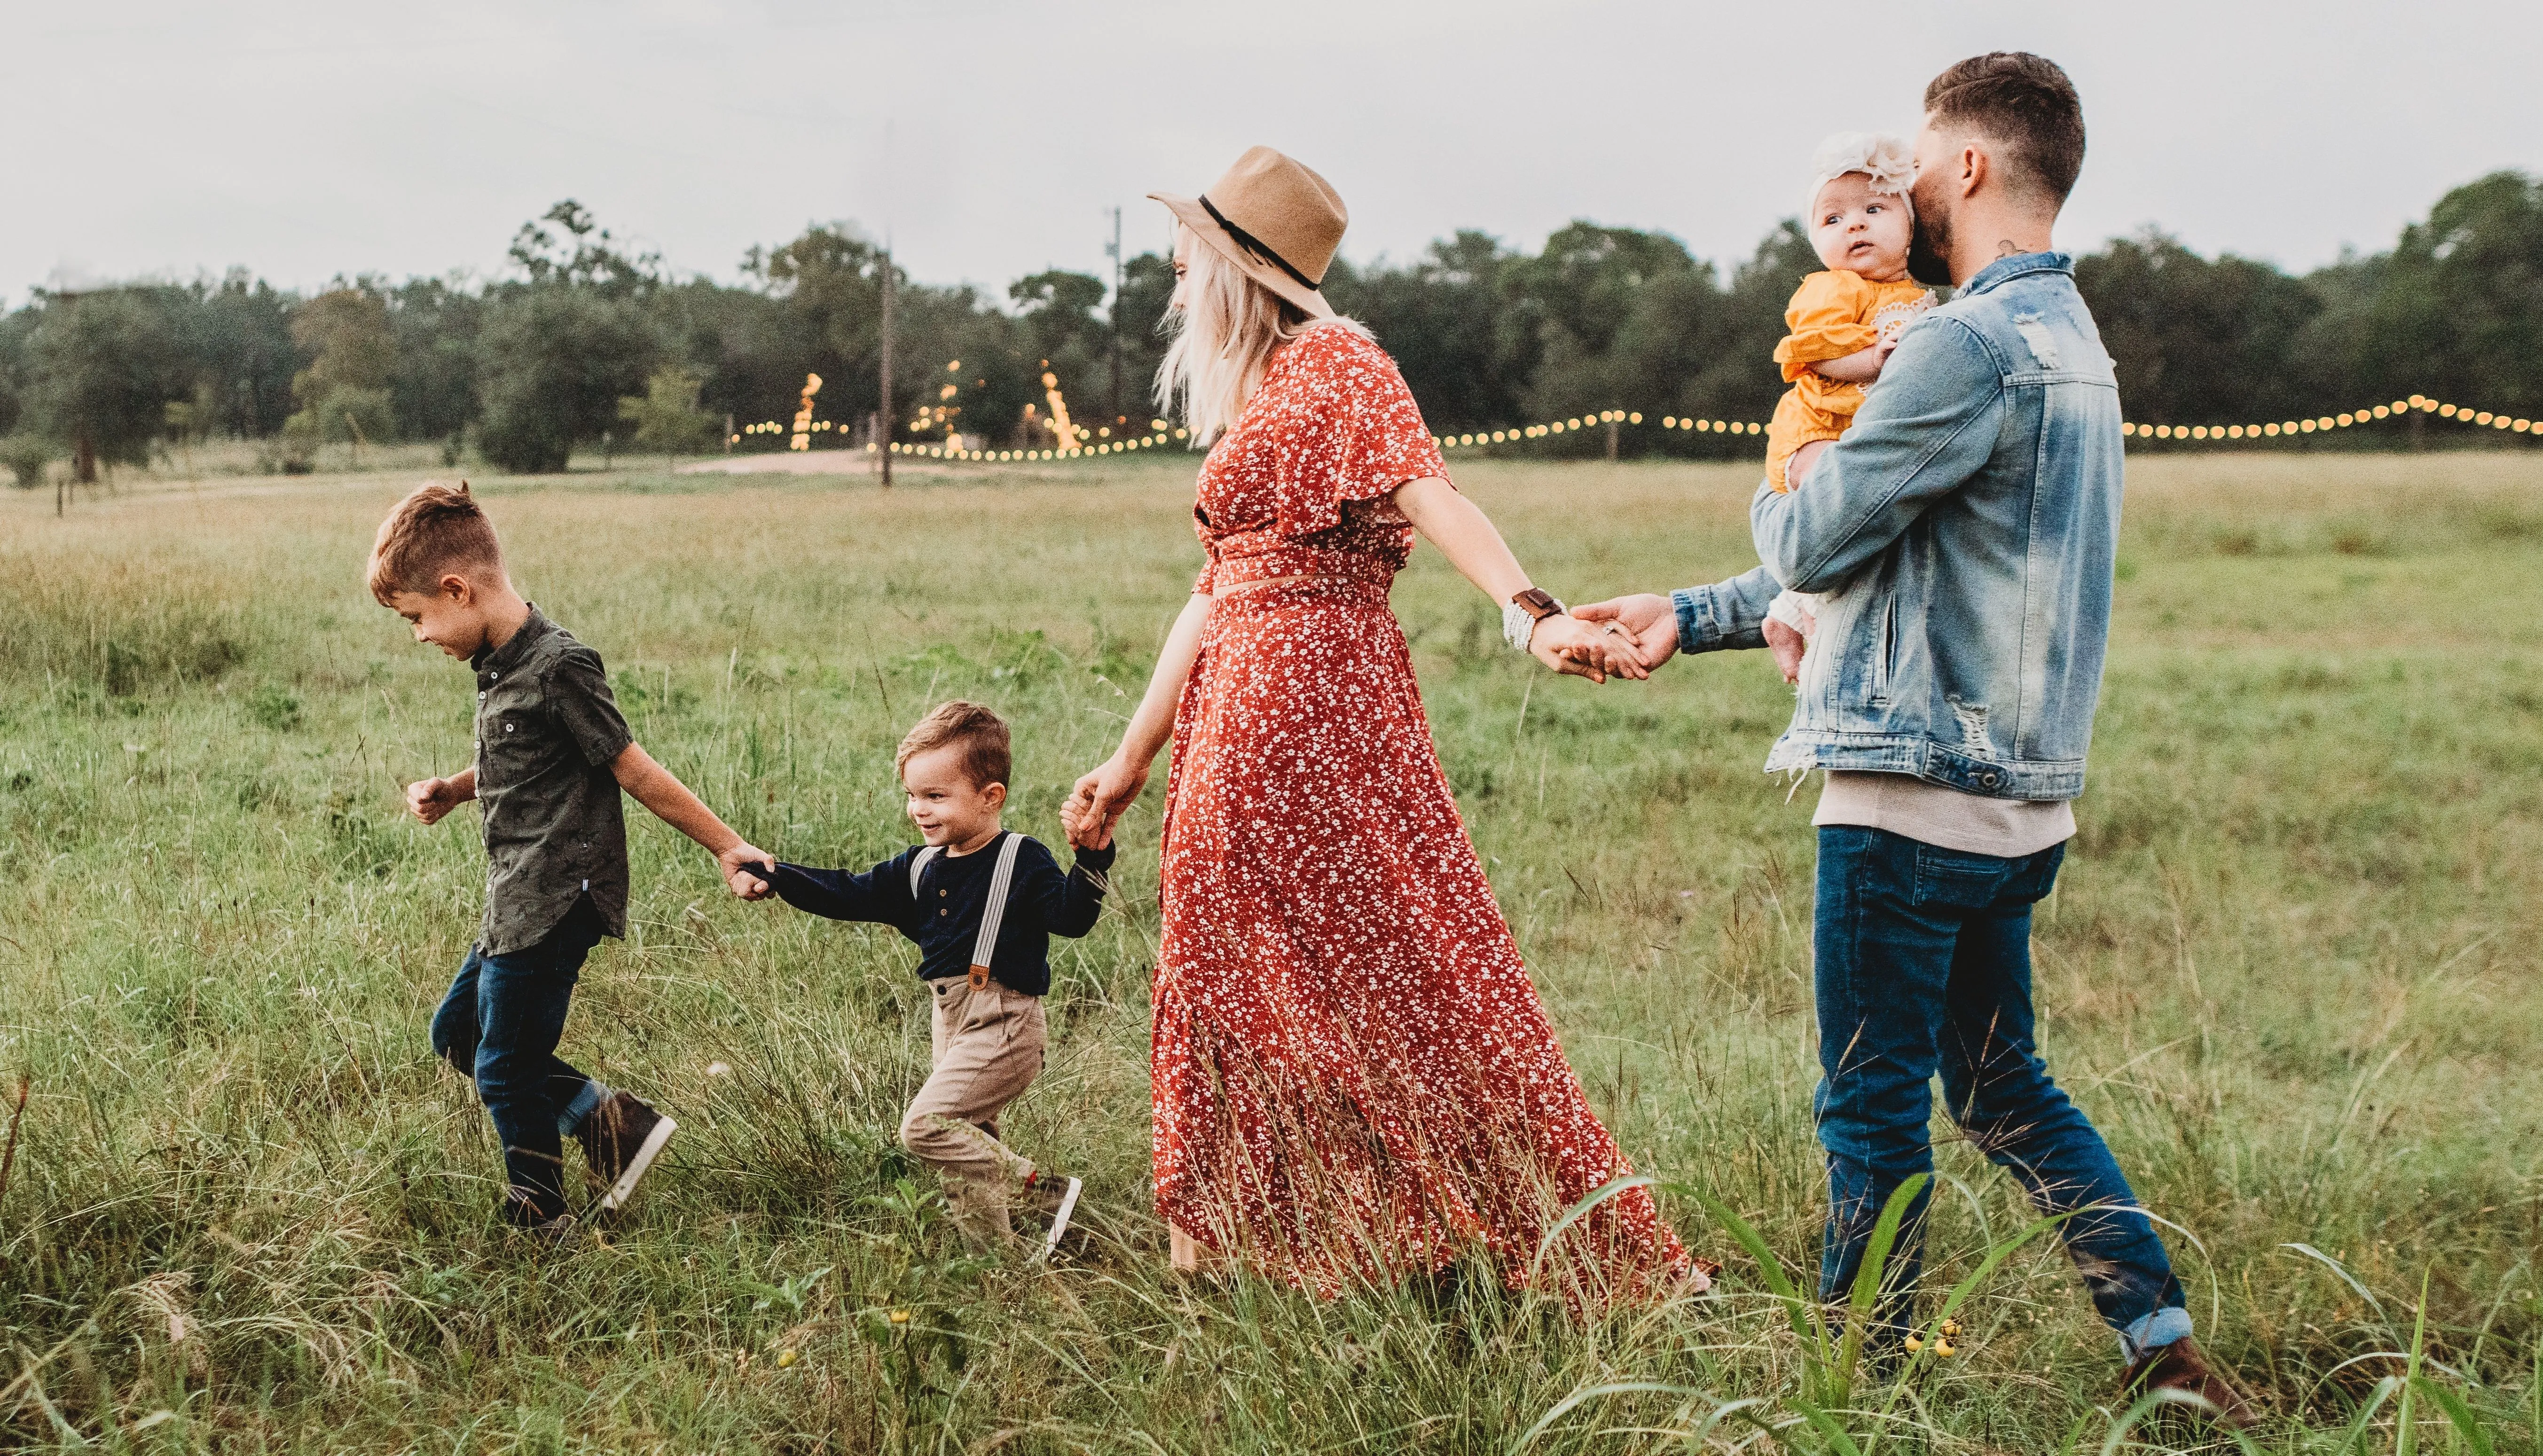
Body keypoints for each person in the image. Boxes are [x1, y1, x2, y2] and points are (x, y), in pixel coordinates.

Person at [1575, 55, 2257, 1421]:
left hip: (1905, 800)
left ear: (1970, 170)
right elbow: (1905, 558)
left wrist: (1788, 480)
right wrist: (1692, 613)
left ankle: (1857, 1394)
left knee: (1868, 1109)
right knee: (2003, 1087)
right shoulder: (2077, 347)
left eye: (1920, 161)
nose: (1901, 188)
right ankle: (2162, 1346)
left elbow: (1824, 534)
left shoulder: (1958, 344)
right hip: (2019, 808)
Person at [1059, 145, 1699, 1302]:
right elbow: (1212, 594)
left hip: (1307, 699)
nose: (1169, 265)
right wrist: (1128, 757)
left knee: (1396, 965)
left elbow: (1430, 490)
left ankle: (1455, 1231)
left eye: (1186, 247)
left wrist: (1529, 612)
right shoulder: (1258, 389)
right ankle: (1245, 1245)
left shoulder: (1337, 362)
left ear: (1234, 265)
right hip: (1242, 701)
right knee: (1238, 963)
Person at [373, 481, 774, 1240]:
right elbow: (521, 759)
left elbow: (631, 767)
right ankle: (612, 1126)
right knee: (457, 1033)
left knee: (503, 1064)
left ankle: (540, 1211)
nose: (420, 634)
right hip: (513, 895)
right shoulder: (498, 664)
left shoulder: (560, 664)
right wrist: (457, 789)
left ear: (458, 589)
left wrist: (729, 845)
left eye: (417, 616)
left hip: (558, 896)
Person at [731, 701, 1105, 1255]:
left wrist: (1094, 858)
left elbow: (1071, 918)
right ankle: (998, 1265)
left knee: (928, 1127)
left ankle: (1042, 1191)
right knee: (965, 1147)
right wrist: (775, 873)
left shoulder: (1020, 859)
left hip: (1006, 1021)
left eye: (935, 796)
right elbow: (847, 891)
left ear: (991, 796)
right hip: (950, 1020)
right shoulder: (920, 866)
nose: (919, 810)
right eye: (912, 795)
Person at [1759, 132, 1935, 679]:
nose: (1853, 225)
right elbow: (1816, 351)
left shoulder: (1917, 296)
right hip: (1814, 430)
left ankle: (1787, 612)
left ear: (1910, 226)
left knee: (1865, 522)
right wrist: (1873, 360)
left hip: (1856, 434)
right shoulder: (1833, 288)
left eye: (1874, 209)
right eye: (1832, 219)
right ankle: (1801, 619)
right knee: (1836, 511)